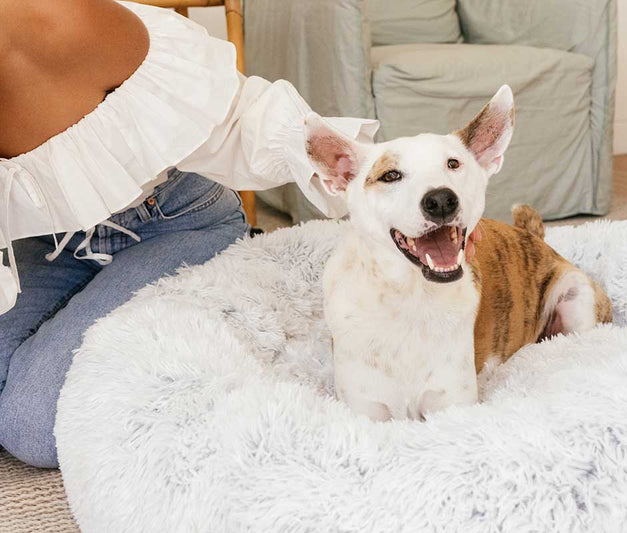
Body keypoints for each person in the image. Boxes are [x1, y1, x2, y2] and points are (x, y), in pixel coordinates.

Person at [0, 0, 380, 468]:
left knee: (30, 426)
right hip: (49, 240)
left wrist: (392, 190)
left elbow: (241, 119)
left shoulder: (66, 24)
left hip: (172, 221)